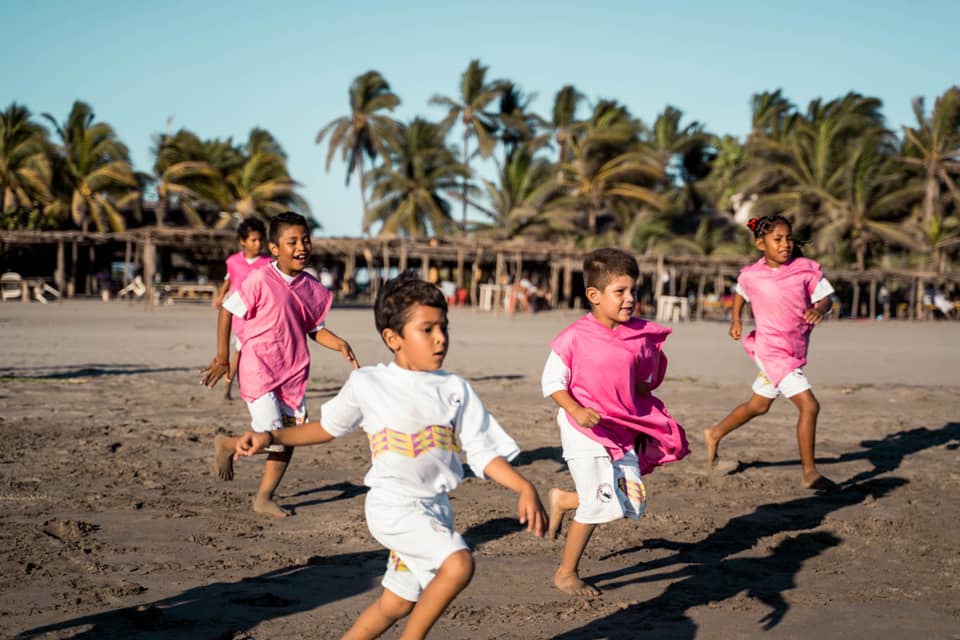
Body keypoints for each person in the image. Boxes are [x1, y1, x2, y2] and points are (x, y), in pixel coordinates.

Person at [233, 271, 546, 639]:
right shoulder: (369, 383)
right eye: (427, 329)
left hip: (436, 510)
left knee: (395, 604)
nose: (440, 337)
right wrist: (270, 436)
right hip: (393, 506)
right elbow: (326, 428)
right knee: (459, 565)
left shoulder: (454, 389)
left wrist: (523, 486)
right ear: (393, 338)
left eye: (443, 327)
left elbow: (482, 451)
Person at [541, 248, 689, 597]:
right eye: (620, 291)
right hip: (583, 428)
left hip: (621, 432)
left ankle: (564, 500)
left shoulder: (640, 336)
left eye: (633, 290)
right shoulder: (574, 337)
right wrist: (576, 410)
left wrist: (643, 424)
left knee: (629, 502)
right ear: (594, 295)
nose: (630, 298)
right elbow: (551, 383)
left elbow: (642, 387)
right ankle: (566, 573)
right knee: (599, 504)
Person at [201, 211, 359, 518]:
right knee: (271, 435)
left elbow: (314, 328)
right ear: (274, 248)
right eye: (292, 241)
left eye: (305, 240)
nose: (302, 246)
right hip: (258, 368)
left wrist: (339, 342)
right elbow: (227, 310)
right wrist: (222, 357)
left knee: (287, 438)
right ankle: (228, 443)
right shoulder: (260, 279)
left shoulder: (309, 285)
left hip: (292, 373)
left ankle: (264, 497)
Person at [703, 215, 837, 491]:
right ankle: (810, 473)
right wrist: (736, 320)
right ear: (760, 244)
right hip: (771, 350)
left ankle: (714, 433)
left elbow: (826, 297)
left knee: (759, 406)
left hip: (793, 349)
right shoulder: (751, 275)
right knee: (809, 406)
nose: (785, 244)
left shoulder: (805, 269)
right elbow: (740, 293)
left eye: (788, 238)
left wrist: (820, 309)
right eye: (777, 239)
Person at [212, 217, 273, 399]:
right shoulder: (233, 261)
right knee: (241, 350)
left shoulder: (268, 263)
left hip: (260, 314)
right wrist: (221, 295)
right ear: (243, 241)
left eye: (261, 240)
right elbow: (229, 278)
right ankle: (228, 387)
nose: (258, 244)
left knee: (255, 352)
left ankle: (258, 386)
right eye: (253, 240)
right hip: (238, 314)